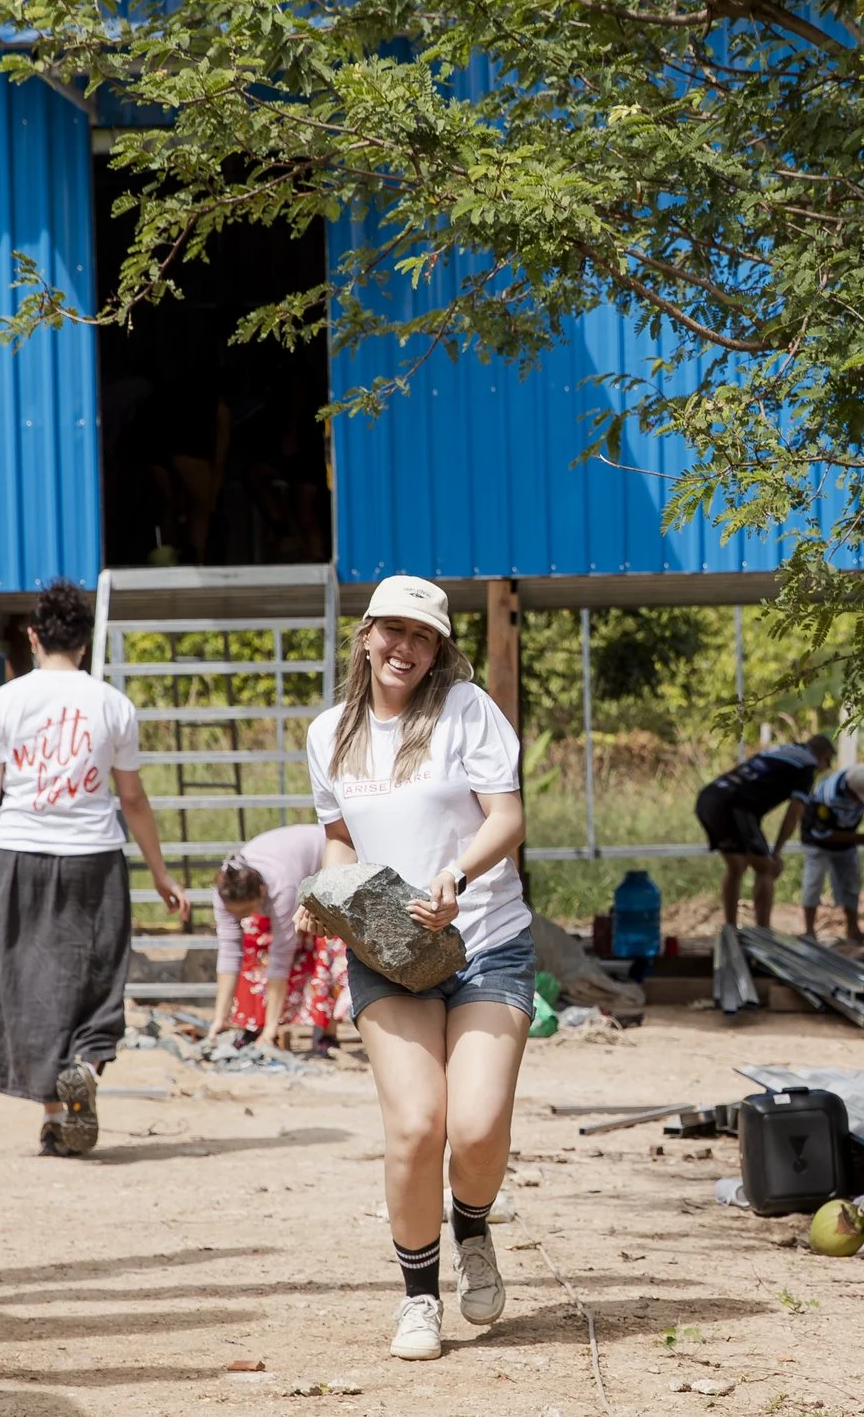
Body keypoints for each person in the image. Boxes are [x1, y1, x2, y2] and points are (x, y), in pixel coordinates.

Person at [302, 575, 527, 1363]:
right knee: (415, 1124)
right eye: (391, 630)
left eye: (421, 636)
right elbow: (338, 839)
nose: (404, 647)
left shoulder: (467, 711)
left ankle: (471, 1221)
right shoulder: (329, 731)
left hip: (486, 940)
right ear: (365, 635)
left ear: (438, 650)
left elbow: (508, 816)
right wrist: (325, 893)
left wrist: (456, 877)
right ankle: (419, 1300)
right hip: (387, 955)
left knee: (473, 1127)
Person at [0, 580, 182, 1156]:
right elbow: (132, 799)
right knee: (96, 973)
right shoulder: (113, 704)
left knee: (25, 981)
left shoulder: (3, 702)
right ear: (84, 643)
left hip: (17, 853)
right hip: (94, 857)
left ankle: (57, 1112)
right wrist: (159, 873)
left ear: (33, 636)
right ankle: (83, 1061)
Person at [209, 823, 347, 1053]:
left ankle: (326, 1032)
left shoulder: (281, 888)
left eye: (245, 911)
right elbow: (229, 951)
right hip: (286, 878)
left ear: (261, 893)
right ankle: (253, 1024)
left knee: (325, 947)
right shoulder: (225, 890)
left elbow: (282, 957)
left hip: (325, 863)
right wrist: (219, 1018)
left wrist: (271, 1031)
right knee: (254, 944)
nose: (240, 918)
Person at [695, 735, 833, 930]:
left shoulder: (783, 750)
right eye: (827, 765)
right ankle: (764, 933)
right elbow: (793, 813)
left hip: (709, 797)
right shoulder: (807, 766)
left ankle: (730, 929)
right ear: (823, 756)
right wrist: (776, 852)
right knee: (767, 868)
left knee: (736, 868)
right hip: (736, 805)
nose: (823, 770)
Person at [797, 763, 864, 946]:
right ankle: (809, 932)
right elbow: (823, 834)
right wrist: (861, 838)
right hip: (818, 843)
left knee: (851, 884)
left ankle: (853, 931)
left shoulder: (859, 784)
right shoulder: (826, 798)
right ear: (851, 792)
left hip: (847, 843)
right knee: (813, 883)